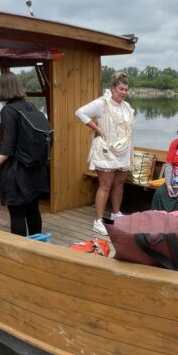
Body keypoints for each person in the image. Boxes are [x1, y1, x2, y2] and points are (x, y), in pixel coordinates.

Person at [0, 72, 50, 237]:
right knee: (33, 210)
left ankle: (21, 252)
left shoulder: (8, 111)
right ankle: (37, 247)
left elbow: (6, 148)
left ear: (1, 89)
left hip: (17, 171)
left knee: (17, 213)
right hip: (35, 169)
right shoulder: (31, 107)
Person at [75, 72, 134, 237]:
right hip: (106, 150)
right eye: (121, 89)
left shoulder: (126, 107)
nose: (123, 92)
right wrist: (98, 129)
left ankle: (116, 213)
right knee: (106, 185)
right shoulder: (102, 103)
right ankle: (98, 221)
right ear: (113, 87)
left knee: (119, 184)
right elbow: (80, 113)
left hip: (123, 150)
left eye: (126, 90)